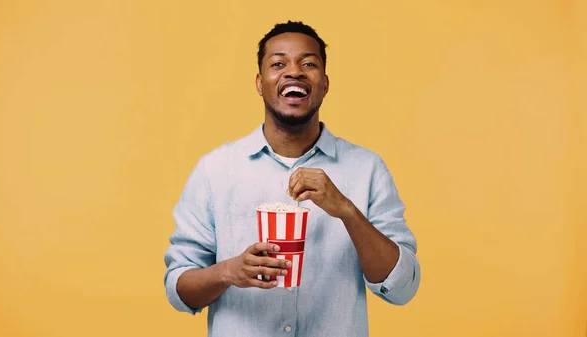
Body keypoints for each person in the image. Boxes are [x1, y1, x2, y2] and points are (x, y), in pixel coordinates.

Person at [163, 21, 421, 336]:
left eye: (308, 63)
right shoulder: (215, 170)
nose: (294, 72)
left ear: (325, 84)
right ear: (260, 83)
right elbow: (179, 289)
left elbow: (402, 288)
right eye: (278, 63)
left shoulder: (367, 169)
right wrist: (229, 271)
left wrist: (346, 210)